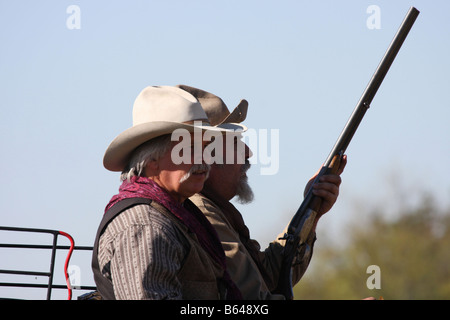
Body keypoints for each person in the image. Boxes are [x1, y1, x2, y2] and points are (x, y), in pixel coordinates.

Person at [178, 85, 346, 299]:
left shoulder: (213, 209)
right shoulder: (202, 211)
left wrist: (311, 211)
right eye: (235, 143)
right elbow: (254, 299)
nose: (248, 152)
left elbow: (271, 277)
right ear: (205, 156)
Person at [91, 85, 245, 300]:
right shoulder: (145, 225)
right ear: (152, 160)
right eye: (190, 148)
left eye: (205, 148)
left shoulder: (176, 216)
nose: (204, 159)